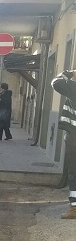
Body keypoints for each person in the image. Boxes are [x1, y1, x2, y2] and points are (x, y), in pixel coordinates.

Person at [51, 70, 76, 219]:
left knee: (74, 175)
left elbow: (56, 82)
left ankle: (74, 208)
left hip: (75, 137)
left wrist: (69, 73)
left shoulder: (73, 88)